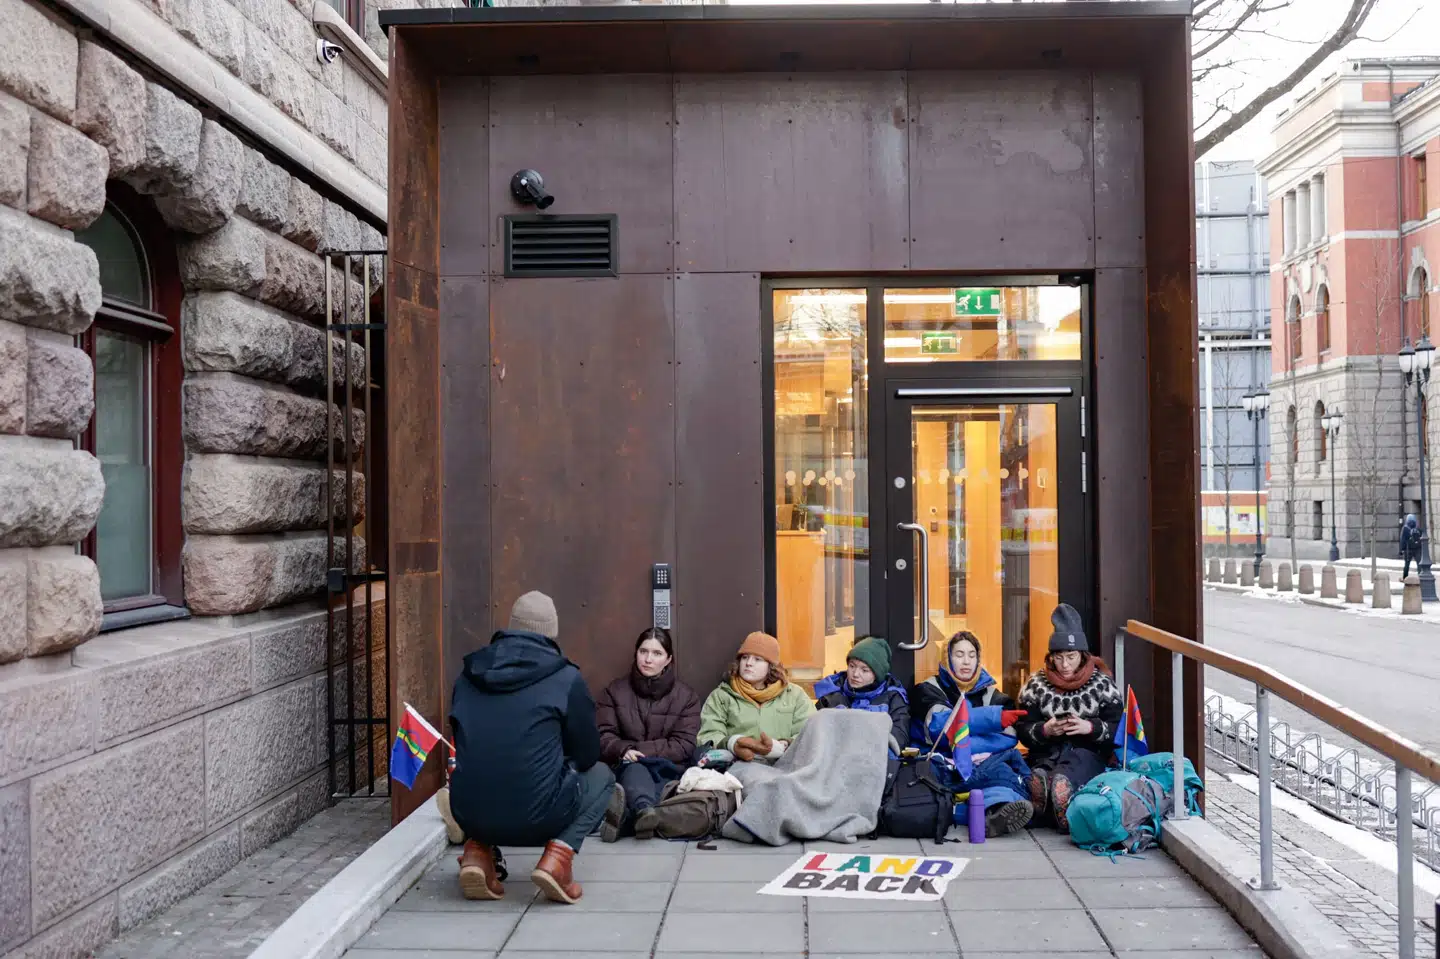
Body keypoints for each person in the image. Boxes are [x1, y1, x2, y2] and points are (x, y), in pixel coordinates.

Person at [447, 591, 618, 904]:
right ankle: (558, 860)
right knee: (602, 776)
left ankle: (477, 853)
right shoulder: (566, 678)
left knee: (482, 768)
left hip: (468, 810)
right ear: (551, 632)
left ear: (511, 626)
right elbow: (587, 754)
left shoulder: (468, 675)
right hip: (538, 816)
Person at [911, 630, 1034, 836]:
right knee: (930, 790)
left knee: (1002, 776)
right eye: (959, 655)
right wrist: (992, 720)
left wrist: (965, 744)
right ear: (947, 658)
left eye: (971, 655)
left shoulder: (995, 696)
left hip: (983, 765)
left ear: (978, 659)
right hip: (941, 764)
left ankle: (996, 810)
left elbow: (1008, 737)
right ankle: (981, 813)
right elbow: (942, 728)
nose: (966, 661)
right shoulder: (927, 690)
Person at [1014, 604, 1124, 832]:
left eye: (1071, 657)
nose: (1065, 665)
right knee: (1043, 771)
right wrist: (1044, 730)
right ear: (1051, 657)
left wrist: (1090, 728)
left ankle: (1056, 803)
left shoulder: (1103, 685)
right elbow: (1023, 728)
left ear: (1082, 656)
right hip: (1047, 752)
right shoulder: (1035, 685)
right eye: (1059, 657)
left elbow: (1118, 730)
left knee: (1068, 773)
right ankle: (1048, 800)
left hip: (1087, 754)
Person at [595, 627, 703, 842]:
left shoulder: (686, 697)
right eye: (643, 651)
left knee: (647, 776)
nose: (648, 659)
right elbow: (603, 734)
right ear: (636, 653)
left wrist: (638, 750)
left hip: (667, 769)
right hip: (625, 766)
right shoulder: (615, 691)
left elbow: (684, 744)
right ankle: (644, 812)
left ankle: (630, 819)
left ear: (668, 659)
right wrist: (623, 750)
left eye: (657, 653)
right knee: (635, 769)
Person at [696, 631, 815, 762]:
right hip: (738, 767)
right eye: (745, 657)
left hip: (786, 766)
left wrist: (784, 745)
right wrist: (732, 744)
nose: (749, 663)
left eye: (757, 659)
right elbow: (708, 735)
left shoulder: (795, 695)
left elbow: (811, 732)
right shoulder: (722, 695)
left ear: (771, 666)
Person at [813, 635, 910, 752]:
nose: (855, 674)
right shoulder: (831, 693)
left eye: (864, 670)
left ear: (877, 674)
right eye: (852, 666)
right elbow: (813, 733)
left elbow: (899, 739)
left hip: (876, 758)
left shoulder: (893, 697)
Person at [1401, 513, 1421, 578]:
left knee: (1407, 564)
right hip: (1417, 549)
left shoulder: (1405, 528)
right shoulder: (1417, 528)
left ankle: (1405, 577)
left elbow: (1403, 539)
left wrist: (1402, 549)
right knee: (1419, 563)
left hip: (1408, 549)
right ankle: (1420, 576)